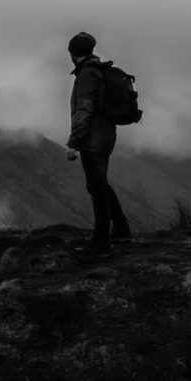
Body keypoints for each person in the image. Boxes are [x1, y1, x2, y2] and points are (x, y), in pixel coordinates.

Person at [65, 32, 131, 258]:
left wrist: (73, 143)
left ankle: (100, 242)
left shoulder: (87, 74)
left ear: (72, 53)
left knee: (97, 189)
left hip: (93, 139)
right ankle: (121, 230)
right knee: (100, 184)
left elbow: (84, 110)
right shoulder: (99, 71)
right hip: (105, 135)